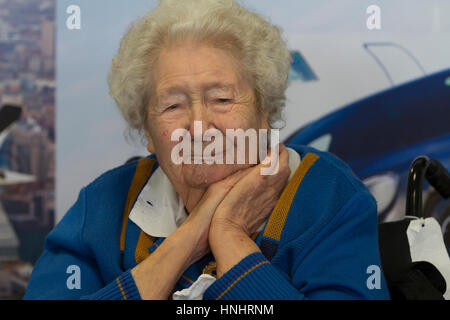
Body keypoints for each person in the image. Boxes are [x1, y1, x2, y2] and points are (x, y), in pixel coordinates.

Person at [25, 0, 390, 300]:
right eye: (172, 106)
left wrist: (229, 234)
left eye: (221, 98)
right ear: (148, 134)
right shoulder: (105, 204)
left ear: (264, 113)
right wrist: (188, 240)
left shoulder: (328, 195)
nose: (198, 127)